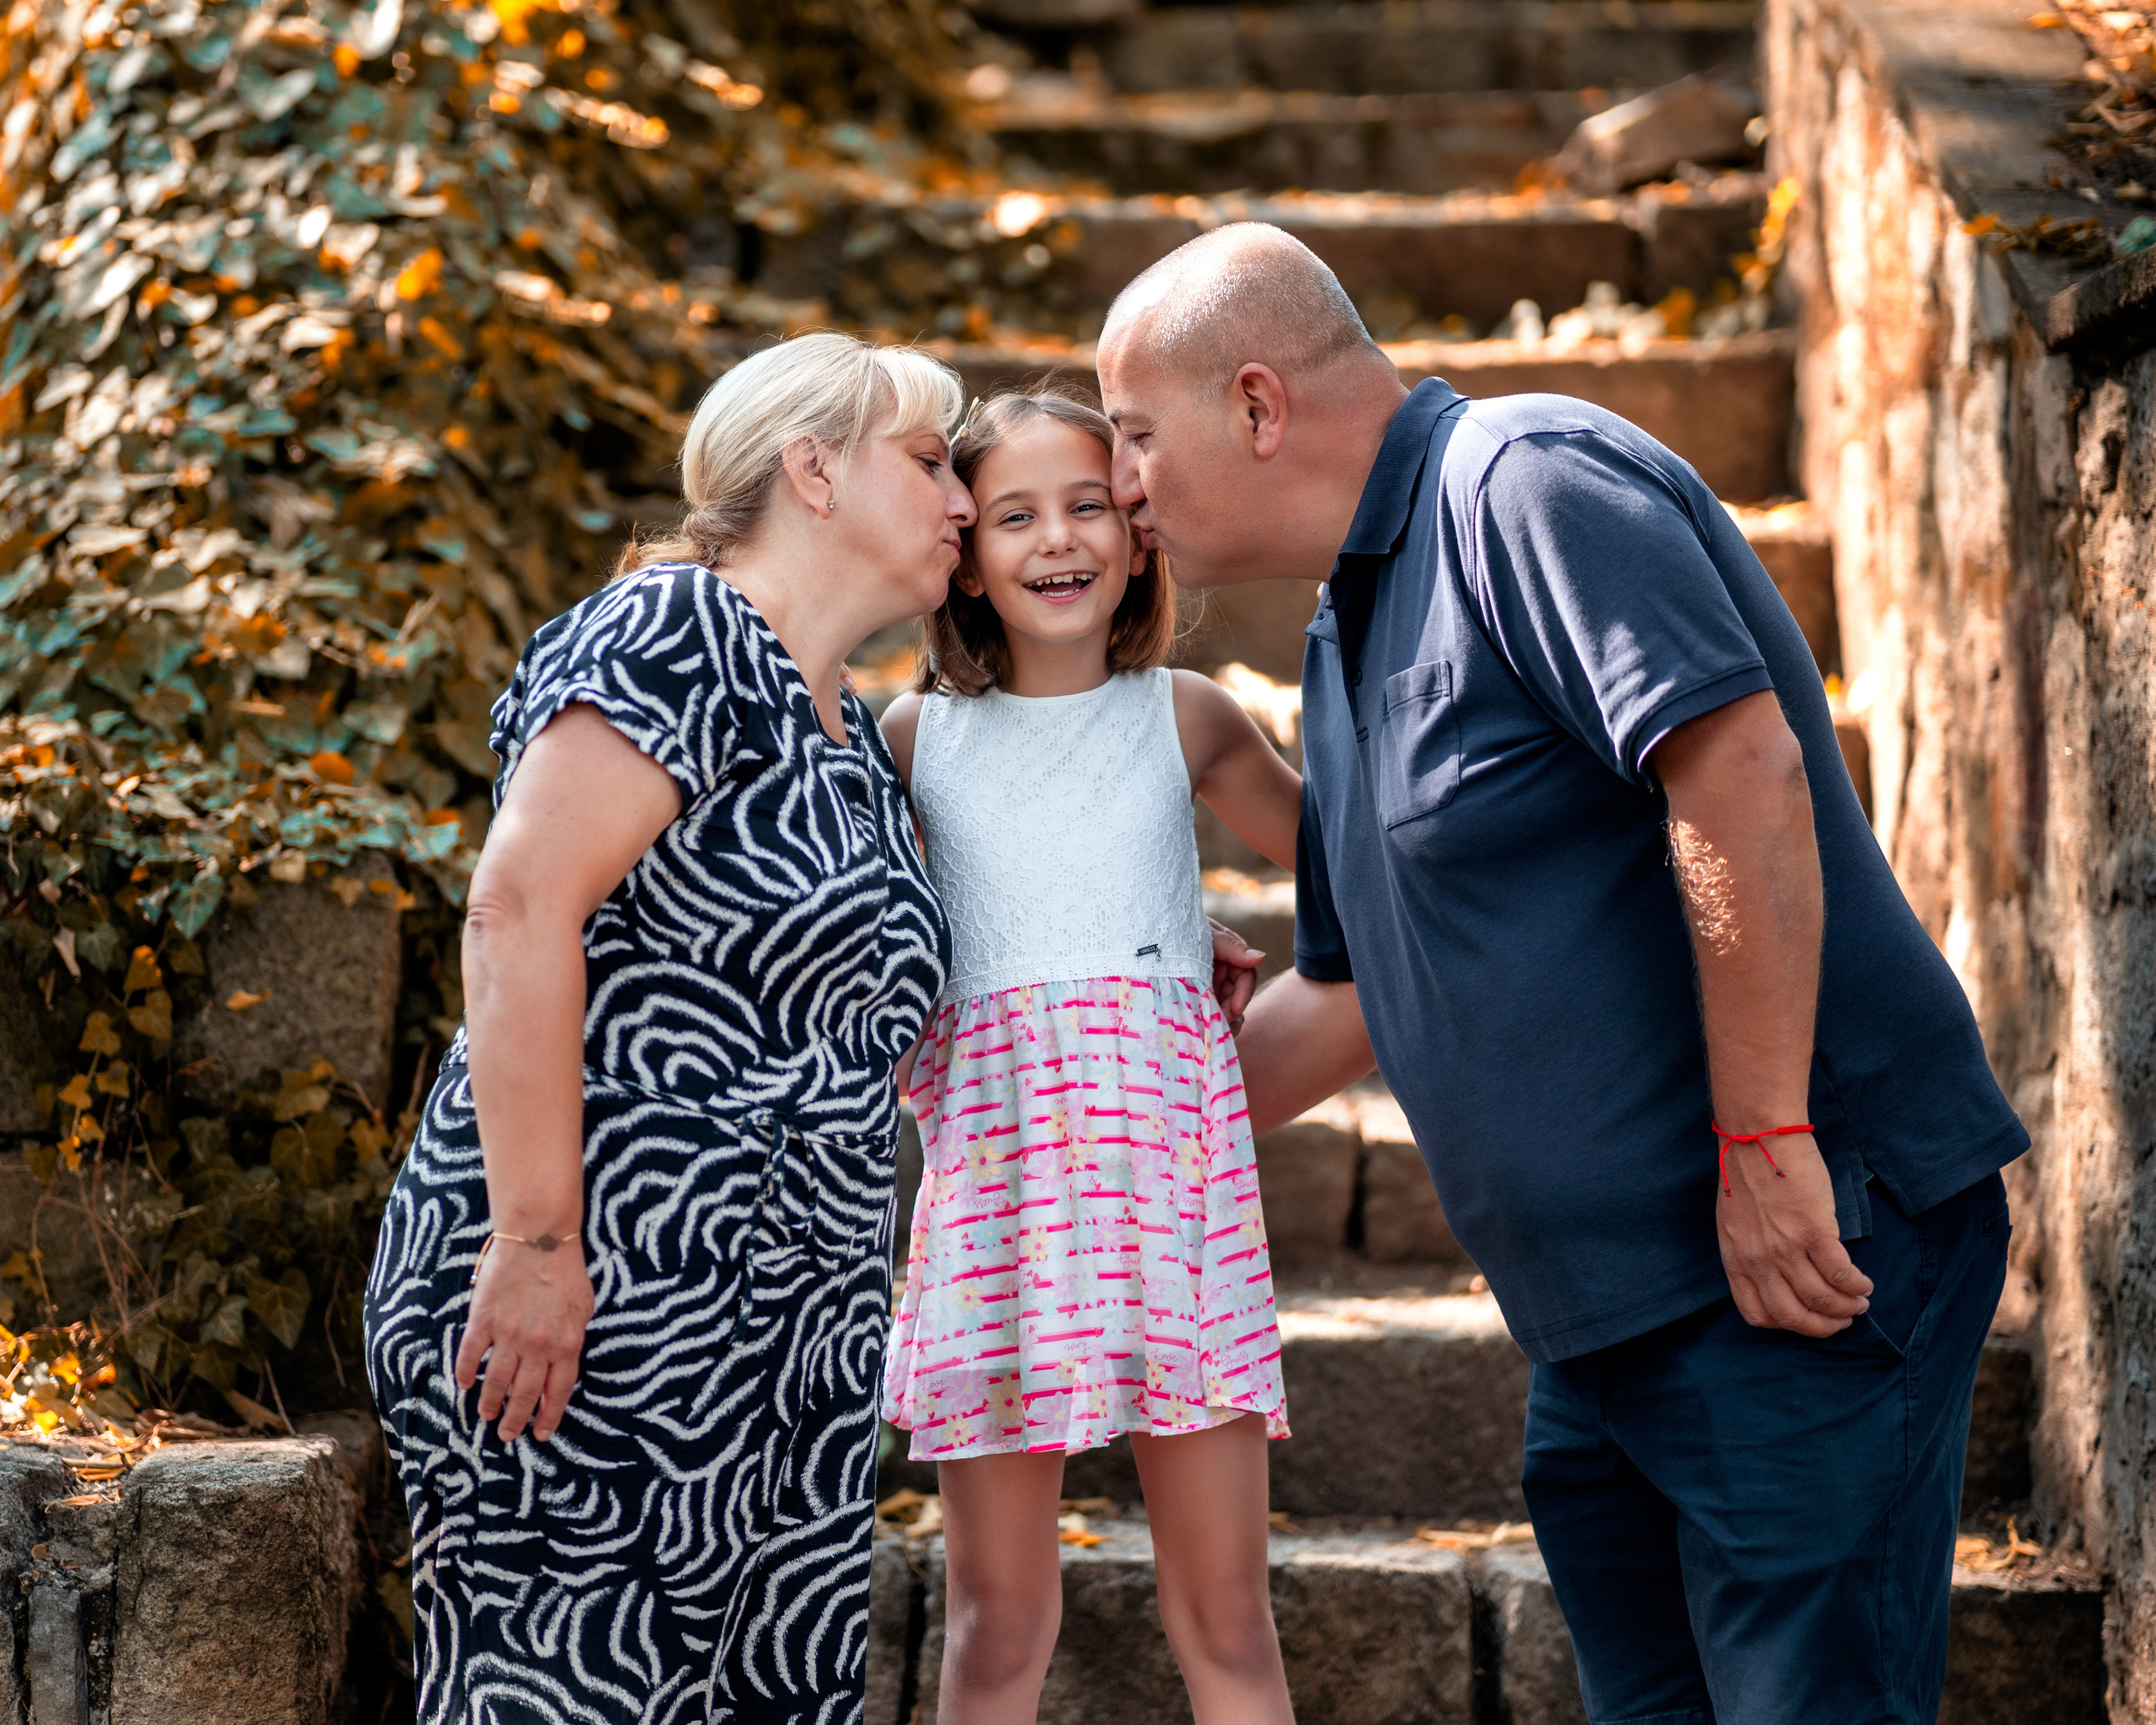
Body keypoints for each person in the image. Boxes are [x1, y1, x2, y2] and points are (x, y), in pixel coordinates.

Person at [1097, 225, 2030, 1725]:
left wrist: (1766, 1138)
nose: (1118, 479)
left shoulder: (1523, 482)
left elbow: (1736, 773)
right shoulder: (1342, 636)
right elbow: (1342, 1001)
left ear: (1258, 406)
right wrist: (1060, 1084)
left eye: (1135, 432)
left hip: (1787, 1257)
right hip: (1599, 1333)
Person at [364, 332, 974, 1724]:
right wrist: (532, 1246)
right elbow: (518, 907)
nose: (962, 501)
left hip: (791, 1337)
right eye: (931, 461)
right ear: (813, 468)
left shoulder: (847, 736)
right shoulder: (677, 631)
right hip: (602, 1292)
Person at [878, 387, 1303, 1725]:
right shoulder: (908, 742)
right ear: (964, 546)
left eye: (1085, 505)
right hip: (996, 1215)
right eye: (1014, 514)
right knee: (998, 1625)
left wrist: (1184, 926)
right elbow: (855, 938)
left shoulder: (1188, 715)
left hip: (1175, 1216)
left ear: (1133, 532)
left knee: (1227, 1615)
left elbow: (1363, 884)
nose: (1055, 539)